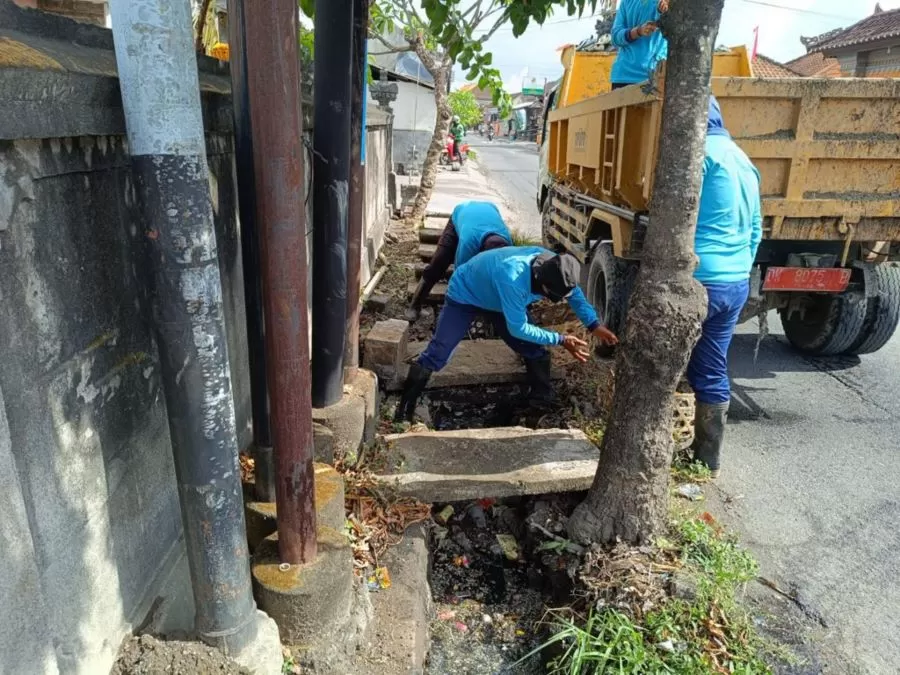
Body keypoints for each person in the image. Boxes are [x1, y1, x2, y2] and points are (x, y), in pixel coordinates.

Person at [395, 247, 619, 422]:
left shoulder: (556, 265)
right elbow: (518, 328)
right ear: (543, 287)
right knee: (439, 353)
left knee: (534, 350)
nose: (560, 300)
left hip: (500, 301)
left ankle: (540, 403)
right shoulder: (513, 279)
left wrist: (593, 325)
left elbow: (575, 295)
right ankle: (404, 410)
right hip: (466, 294)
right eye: (554, 297)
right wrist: (560, 340)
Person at [687, 96, 762, 478]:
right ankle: (706, 458)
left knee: (669, 361)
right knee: (713, 364)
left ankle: (677, 448)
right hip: (735, 281)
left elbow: (677, 216)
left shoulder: (696, 156)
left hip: (700, 278)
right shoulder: (744, 160)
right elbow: (756, 230)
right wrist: (739, 269)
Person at [407, 201, 513, 321]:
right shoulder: (469, 243)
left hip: (489, 209)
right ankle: (414, 306)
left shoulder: (508, 246)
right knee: (438, 264)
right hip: (462, 213)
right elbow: (460, 276)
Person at [610, 0, 669, 89]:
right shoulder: (627, 2)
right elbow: (615, 37)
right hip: (624, 77)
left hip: (654, 76)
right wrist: (638, 31)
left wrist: (662, 11)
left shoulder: (667, 3)